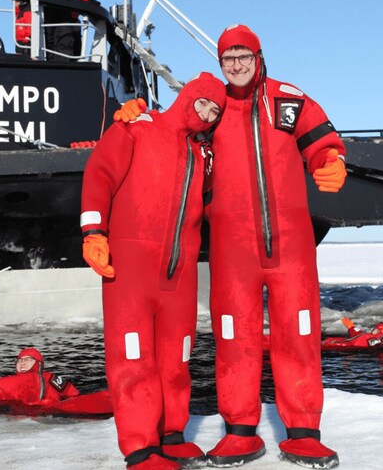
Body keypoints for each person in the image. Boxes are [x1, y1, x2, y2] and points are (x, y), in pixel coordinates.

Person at [115, 24, 347, 468]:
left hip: (291, 246)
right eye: (228, 59)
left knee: (297, 332)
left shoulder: (288, 99)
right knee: (233, 335)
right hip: (231, 249)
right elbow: (174, 129)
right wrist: (139, 115)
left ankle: (303, 431)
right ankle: (240, 430)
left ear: (259, 57)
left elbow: (321, 141)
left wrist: (330, 160)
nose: (236, 65)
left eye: (243, 56)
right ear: (221, 64)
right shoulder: (215, 110)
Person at [81, 73, 225, 470]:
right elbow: (99, 174)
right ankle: (141, 448)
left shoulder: (203, 155)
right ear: (188, 97)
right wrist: (93, 231)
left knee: (176, 358)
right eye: (202, 104)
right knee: (133, 357)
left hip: (179, 274)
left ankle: (170, 434)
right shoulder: (138, 127)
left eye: (215, 111)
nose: (206, 114)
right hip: (131, 268)